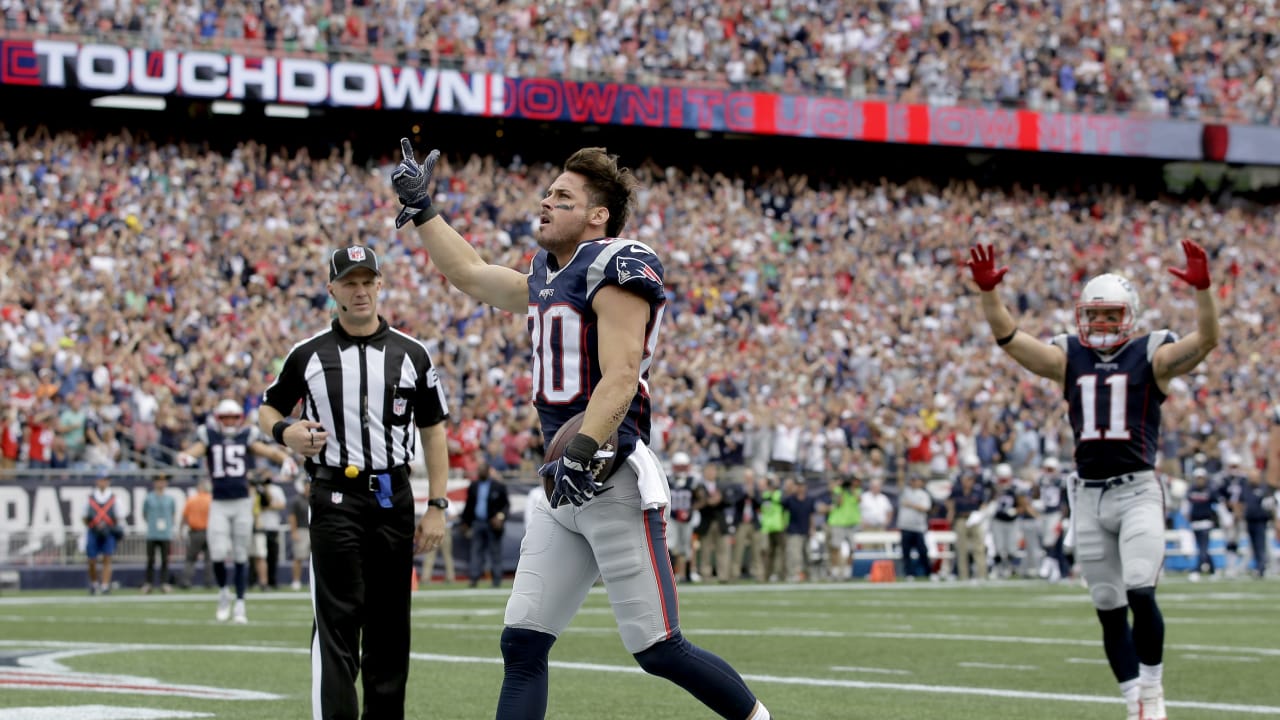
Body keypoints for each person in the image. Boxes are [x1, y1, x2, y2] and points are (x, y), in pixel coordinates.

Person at [393, 141, 771, 720]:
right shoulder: (547, 272)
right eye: (547, 193)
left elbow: (620, 377)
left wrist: (583, 451)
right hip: (560, 480)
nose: (545, 203)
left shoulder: (615, 264)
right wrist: (423, 209)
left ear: (598, 215)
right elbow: (469, 274)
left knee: (659, 648)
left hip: (610, 472)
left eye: (562, 197)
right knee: (522, 643)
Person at [968, 238, 1220, 720]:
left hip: (1137, 490)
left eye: (1111, 315)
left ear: (1130, 316)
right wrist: (988, 295)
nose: (1101, 324)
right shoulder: (1069, 357)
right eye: (1095, 315)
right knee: (1107, 603)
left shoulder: (1153, 354)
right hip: (1086, 494)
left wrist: (1203, 290)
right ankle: (1133, 705)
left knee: (1142, 590)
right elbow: (1011, 340)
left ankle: (1153, 691)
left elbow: (1206, 340)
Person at [257, 245, 452, 720]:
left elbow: (433, 429)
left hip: (394, 495)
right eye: (349, 282)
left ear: (381, 285)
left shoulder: (413, 354)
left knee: (390, 626)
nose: (360, 291)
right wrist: (287, 432)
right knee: (338, 622)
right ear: (332, 290)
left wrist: (437, 505)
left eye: (368, 281)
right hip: (334, 495)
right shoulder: (308, 355)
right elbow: (268, 409)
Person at [177, 399, 296, 624]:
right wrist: (187, 456)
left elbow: (268, 452)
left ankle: (240, 603)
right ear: (219, 419)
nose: (230, 422)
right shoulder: (209, 436)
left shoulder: (246, 436)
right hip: (220, 502)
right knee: (219, 552)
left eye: (233, 417)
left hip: (242, 502)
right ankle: (224, 592)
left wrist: (285, 458)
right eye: (226, 418)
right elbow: (194, 451)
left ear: (239, 419)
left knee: (242, 554)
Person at [460, 458, 510, 588]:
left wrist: (500, 517)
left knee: (495, 552)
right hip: (477, 522)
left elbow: (505, 505)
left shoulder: (498, 486)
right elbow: (469, 505)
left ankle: (497, 580)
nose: (480, 472)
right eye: (478, 470)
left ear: (488, 471)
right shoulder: (474, 486)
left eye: (482, 470)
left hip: (492, 523)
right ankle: (474, 578)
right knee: (476, 551)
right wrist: (465, 522)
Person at [83, 474, 121, 595]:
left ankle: (105, 585)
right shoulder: (90, 498)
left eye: (105, 480)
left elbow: (119, 516)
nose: (103, 482)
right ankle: (94, 583)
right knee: (91, 560)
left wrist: (108, 526)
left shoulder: (114, 498)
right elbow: (84, 517)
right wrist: (94, 525)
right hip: (93, 531)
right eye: (101, 480)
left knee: (107, 557)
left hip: (108, 531)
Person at [142, 474, 177, 593]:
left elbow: (173, 514)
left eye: (163, 481)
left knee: (165, 560)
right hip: (152, 533)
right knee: (150, 560)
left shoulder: (170, 499)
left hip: (166, 533)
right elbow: (145, 514)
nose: (161, 484)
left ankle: (164, 583)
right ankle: (149, 583)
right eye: (159, 481)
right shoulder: (149, 498)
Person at [252, 473, 287, 590]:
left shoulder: (275, 490)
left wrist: (268, 505)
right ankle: (254, 581)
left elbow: (277, 504)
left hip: (272, 526)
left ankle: (271, 580)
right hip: (259, 526)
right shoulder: (256, 490)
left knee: (272, 555)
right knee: (258, 555)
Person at [897, 474, 933, 579]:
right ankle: (909, 573)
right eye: (913, 480)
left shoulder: (923, 494)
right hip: (905, 526)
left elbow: (925, 508)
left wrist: (911, 505)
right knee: (906, 552)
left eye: (917, 480)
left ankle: (928, 572)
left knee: (922, 551)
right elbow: (899, 482)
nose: (915, 482)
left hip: (919, 527)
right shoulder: (905, 492)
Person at [180, 478, 213, 589]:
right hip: (209, 532)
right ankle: (208, 582)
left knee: (190, 559)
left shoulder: (192, 500)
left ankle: (186, 581)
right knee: (209, 560)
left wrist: (180, 530)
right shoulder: (211, 500)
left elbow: (184, 517)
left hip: (195, 533)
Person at [288, 477, 311, 591]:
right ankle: (296, 580)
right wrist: (294, 531)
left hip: (314, 530)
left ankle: (311, 581)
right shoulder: (297, 500)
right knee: (298, 557)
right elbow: (292, 517)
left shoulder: (315, 498)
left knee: (314, 559)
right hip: (301, 530)